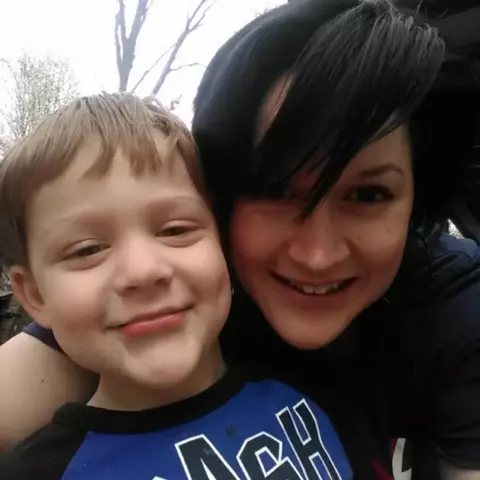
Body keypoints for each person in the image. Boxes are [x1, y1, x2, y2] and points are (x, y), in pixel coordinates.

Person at [0, 0, 479, 478]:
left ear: (417, 201)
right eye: (273, 188)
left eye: (369, 194)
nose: (318, 255)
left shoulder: (451, 305)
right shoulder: (159, 302)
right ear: (222, 202)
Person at [0, 92, 369, 479]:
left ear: (224, 243)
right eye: (87, 250)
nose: (143, 271)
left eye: (175, 230)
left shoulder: (314, 394)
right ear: (35, 294)